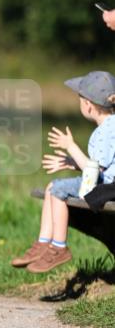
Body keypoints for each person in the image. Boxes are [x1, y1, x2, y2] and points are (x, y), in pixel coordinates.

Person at [11, 70, 115, 273]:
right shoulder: (111, 126)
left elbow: (96, 171)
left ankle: (59, 246)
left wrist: (71, 147)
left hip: (105, 186)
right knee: (52, 186)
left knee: (57, 190)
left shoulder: (106, 131)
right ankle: (43, 243)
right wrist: (72, 162)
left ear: (88, 105)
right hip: (105, 180)